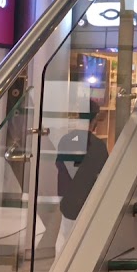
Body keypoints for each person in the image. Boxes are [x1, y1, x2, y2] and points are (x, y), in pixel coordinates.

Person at [55, 99, 109, 256]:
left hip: (67, 202)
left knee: (64, 240)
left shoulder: (65, 141)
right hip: (88, 204)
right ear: (94, 120)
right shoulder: (98, 147)